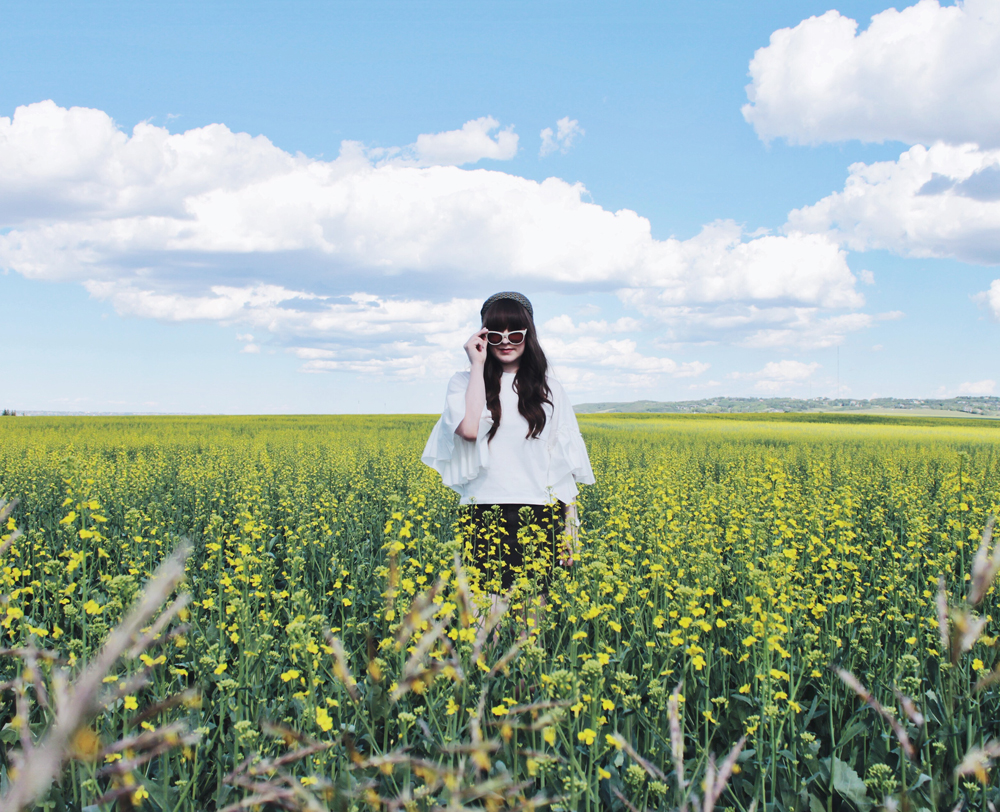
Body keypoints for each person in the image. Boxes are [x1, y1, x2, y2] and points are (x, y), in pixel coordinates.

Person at [421, 291, 595, 598]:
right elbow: (469, 430)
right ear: (482, 336)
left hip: (540, 514)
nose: (505, 341)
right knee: (482, 620)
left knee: (531, 621)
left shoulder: (550, 389)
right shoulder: (463, 382)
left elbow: (563, 463)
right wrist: (477, 365)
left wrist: (570, 527)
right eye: (495, 334)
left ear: (528, 336)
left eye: (515, 333)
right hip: (482, 513)